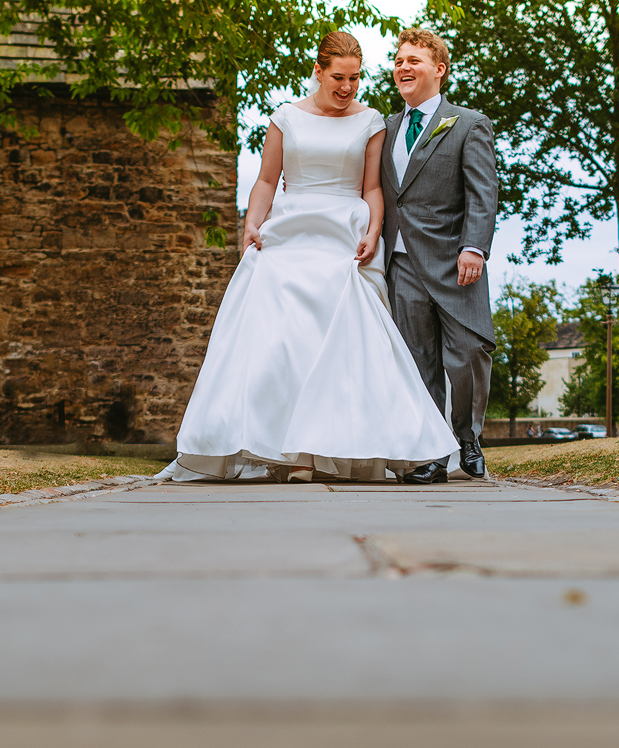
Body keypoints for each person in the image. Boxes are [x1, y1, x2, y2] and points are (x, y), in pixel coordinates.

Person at [157, 32, 457, 483]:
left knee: (341, 344)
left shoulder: (371, 121)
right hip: (290, 231)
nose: (347, 87)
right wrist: (251, 225)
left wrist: (374, 232)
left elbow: (372, 188)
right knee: (281, 341)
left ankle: (325, 450)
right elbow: (265, 181)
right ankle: (284, 449)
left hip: (344, 236)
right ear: (318, 71)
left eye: (355, 78)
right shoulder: (284, 119)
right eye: (338, 77)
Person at [381, 28, 500, 483]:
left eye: (414, 60)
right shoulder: (385, 127)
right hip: (402, 262)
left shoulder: (469, 124)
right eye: (398, 60)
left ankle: (467, 437)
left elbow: (482, 191)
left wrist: (474, 247)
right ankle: (431, 452)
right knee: (418, 360)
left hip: (455, 261)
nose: (404, 67)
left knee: (469, 351)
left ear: (440, 69)